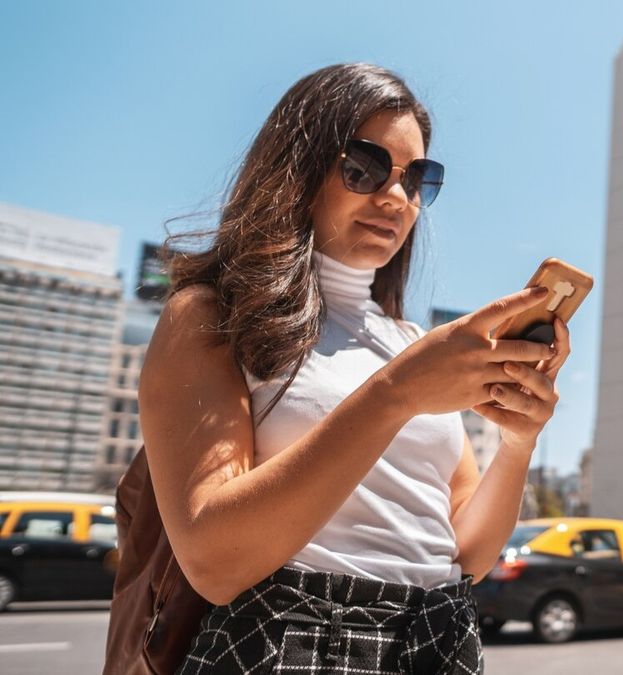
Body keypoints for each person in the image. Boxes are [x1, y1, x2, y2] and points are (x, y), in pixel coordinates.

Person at [139, 63, 571, 674]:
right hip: (292, 637)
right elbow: (213, 559)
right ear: (299, 170)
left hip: (441, 638)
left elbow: (466, 553)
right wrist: (395, 394)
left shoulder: (410, 342)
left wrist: (517, 443)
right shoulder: (210, 315)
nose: (396, 197)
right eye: (363, 168)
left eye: (418, 177)